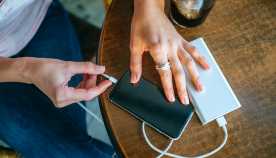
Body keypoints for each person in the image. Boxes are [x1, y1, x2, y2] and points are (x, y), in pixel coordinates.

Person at [0, 0, 209, 157]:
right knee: (67, 144)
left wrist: (150, 9)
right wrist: (25, 69)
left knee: (67, 140)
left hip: (38, 18)